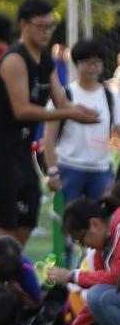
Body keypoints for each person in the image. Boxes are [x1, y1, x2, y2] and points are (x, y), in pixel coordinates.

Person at [0, 0, 99, 246]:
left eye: (50, 26)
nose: (47, 32)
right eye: (41, 26)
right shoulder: (14, 60)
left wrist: (78, 111)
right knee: (4, 227)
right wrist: (69, 113)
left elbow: (61, 103)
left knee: (28, 220)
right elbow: (22, 110)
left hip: (22, 150)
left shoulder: (45, 59)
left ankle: (10, 275)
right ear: (24, 25)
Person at [44, 38, 120, 264]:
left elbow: (116, 132)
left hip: (100, 170)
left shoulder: (110, 96)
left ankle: (96, 270)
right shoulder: (65, 95)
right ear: (76, 64)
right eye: (86, 62)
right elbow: (49, 137)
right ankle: (62, 276)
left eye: (96, 62)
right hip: (70, 169)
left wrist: (114, 174)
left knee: (102, 225)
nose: (92, 67)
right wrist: (52, 171)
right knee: (67, 227)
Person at [46, 193, 120, 325]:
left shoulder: (118, 226)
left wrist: (72, 276)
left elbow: (116, 277)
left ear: (95, 224)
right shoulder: (103, 246)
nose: (83, 245)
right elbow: (97, 299)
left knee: (99, 296)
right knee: (98, 296)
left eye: (80, 239)